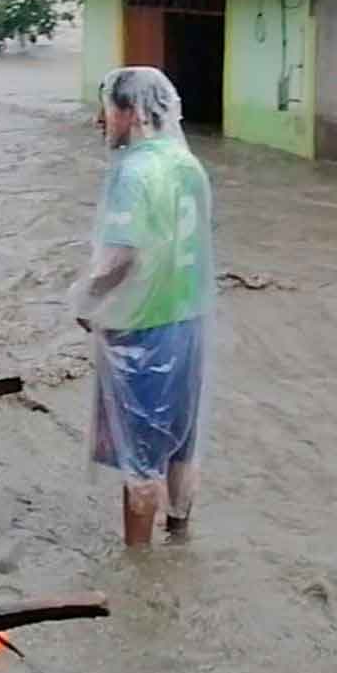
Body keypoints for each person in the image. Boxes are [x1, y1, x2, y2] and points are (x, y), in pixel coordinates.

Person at [69, 66, 214, 547]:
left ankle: (139, 569)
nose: (99, 121)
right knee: (181, 441)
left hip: (144, 330)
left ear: (130, 112)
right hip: (189, 321)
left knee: (141, 455)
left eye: (106, 108)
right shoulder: (187, 164)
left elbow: (122, 254)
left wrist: (86, 298)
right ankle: (181, 536)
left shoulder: (134, 170)